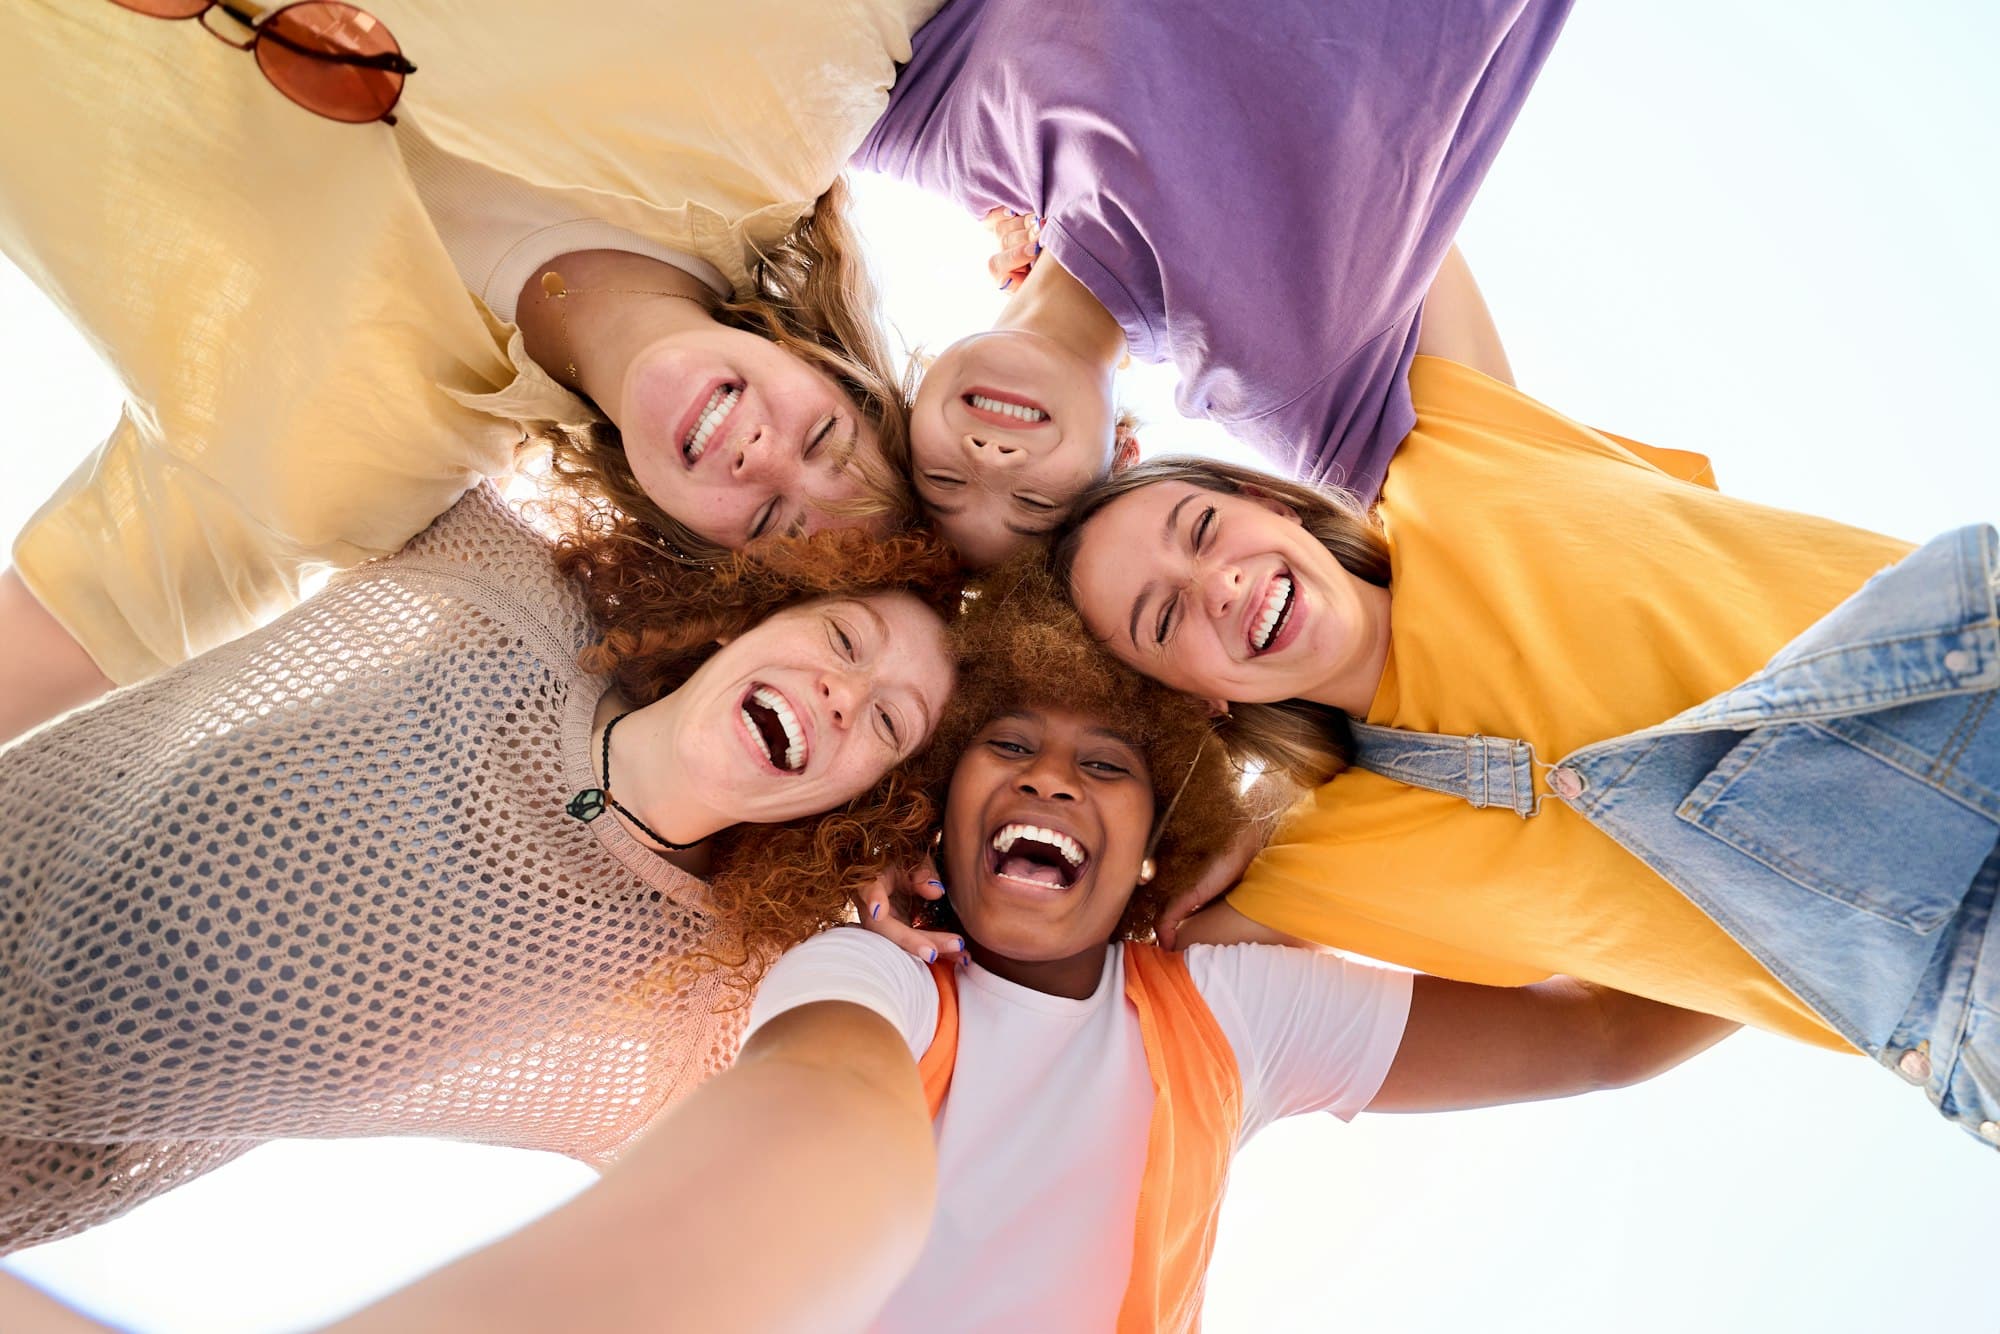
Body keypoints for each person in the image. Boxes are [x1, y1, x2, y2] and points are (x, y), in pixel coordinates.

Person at [3, 561, 1730, 1332]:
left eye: (1107, 763)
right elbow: (831, 1134)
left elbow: (1606, 1029)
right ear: (924, 815)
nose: (1052, 773)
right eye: (999, 748)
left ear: (1160, 845)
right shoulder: (867, 978)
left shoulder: (1231, 1003)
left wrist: (1796, 930)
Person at [1052, 353, 2000, 1146]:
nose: (1213, 585)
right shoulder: (1315, 869)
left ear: (1271, 501)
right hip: (1964, 996)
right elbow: (1080, 965)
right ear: (1194, 699)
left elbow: (1369, 150)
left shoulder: (1453, 459)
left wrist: (1067, 320)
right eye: (1164, 617)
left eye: (1204, 529)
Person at [0, 481, 961, 1250]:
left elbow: (760, 1210)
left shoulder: (703, 995)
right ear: (745, 618)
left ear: (862, 799)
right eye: (843, 638)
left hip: (38, 1165)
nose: (844, 694)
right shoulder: (503, 591)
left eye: (887, 721)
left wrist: (874, 940)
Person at [0, 0, 945, 744]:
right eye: (825, 438)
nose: (761, 456)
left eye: (773, 523)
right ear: (826, 361)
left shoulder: (343, 478)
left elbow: (75, 628)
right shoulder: (778, 84)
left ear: (693, 550)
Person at [852, 0, 1570, 564]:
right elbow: (1514, 501)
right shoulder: (1290, 378)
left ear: (911, 406)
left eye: (944, 482)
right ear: (1124, 459)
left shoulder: (926, 125)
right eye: (1033, 504)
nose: (992, 463)